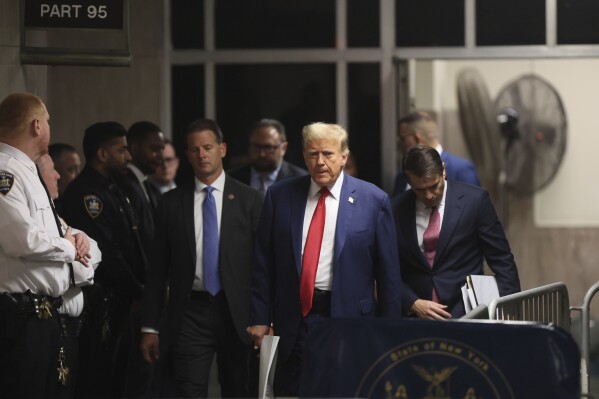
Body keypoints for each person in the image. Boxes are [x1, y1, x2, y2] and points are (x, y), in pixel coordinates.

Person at [247, 122, 402, 397]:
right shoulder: (280, 196)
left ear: (344, 157)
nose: (320, 162)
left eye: (328, 154)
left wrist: (389, 331)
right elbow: (262, 263)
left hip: (350, 317)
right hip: (294, 317)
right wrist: (260, 317)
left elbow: (388, 273)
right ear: (304, 156)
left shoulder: (373, 199)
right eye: (312, 154)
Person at [140, 118, 263, 398]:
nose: (202, 155)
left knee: (238, 389)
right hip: (190, 312)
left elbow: (264, 266)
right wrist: (149, 326)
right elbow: (157, 269)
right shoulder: (172, 203)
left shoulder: (250, 200)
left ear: (222, 149)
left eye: (207, 147)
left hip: (238, 313)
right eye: (194, 150)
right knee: (189, 390)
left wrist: (265, 317)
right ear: (187, 155)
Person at [0, 92, 89, 398]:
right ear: (37, 126)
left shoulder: (26, 169)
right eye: (48, 120)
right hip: (19, 315)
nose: (49, 126)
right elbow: (20, 239)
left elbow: (49, 229)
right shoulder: (5, 170)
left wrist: (74, 238)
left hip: (44, 315)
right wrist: (68, 249)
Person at [60, 121, 146, 398]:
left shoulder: (114, 189)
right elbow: (108, 254)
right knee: (99, 379)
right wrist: (138, 291)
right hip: (100, 303)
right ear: (102, 154)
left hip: (120, 301)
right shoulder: (88, 195)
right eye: (122, 150)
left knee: (119, 378)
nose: (129, 157)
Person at [391, 145, 521, 320]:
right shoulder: (395, 209)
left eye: (433, 186)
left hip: (467, 312)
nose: (429, 195)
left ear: (443, 170)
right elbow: (388, 268)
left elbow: (501, 258)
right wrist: (412, 302)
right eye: (420, 190)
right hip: (415, 316)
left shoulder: (475, 201)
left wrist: (509, 308)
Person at [37, 153, 102, 399]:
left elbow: (95, 253)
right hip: (53, 324)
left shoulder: (56, 215)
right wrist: (74, 256)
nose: (58, 176)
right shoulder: (37, 219)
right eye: (52, 170)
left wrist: (75, 249)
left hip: (71, 328)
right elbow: (62, 270)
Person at [392, 111, 480, 197]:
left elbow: (472, 208)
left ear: (417, 138)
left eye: (402, 139)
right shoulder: (403, 174)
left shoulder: (461, 170)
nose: (400, 145)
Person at [228, 118, 307, 194]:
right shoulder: (231, 179)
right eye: (256, 146)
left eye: (268, 147)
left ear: (283, 148)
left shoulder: (301, 180)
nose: (262, 154)